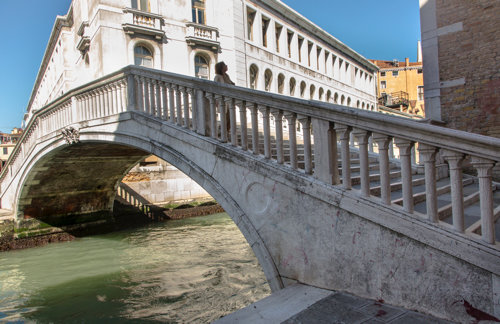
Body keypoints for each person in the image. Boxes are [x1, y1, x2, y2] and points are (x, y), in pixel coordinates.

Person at [214, 61, 234, 134]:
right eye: (225, 65)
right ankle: (222, 129)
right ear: (222, 67)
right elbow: (216, 88)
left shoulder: (226, 76)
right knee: (226, 116)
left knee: (231, 116)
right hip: (222, 99)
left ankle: (227, 130)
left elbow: (231, 83)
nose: (226, 66)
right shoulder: (217, 77)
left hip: (229, 98)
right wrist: (217, 100)